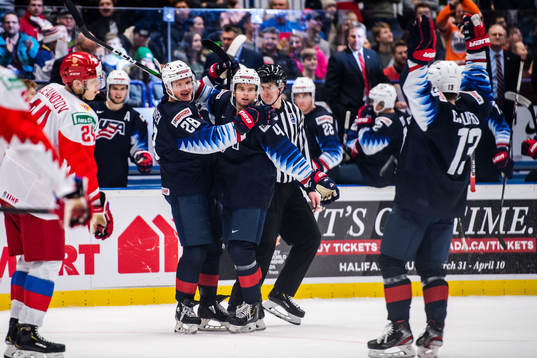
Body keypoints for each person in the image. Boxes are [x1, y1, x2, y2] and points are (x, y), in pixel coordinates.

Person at [366, 15, 507, 358]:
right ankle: (434, 333)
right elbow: (482, 80)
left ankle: (399, 329)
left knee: (391, 261)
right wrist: (476, 44)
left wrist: (422, 53)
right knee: (432, 268)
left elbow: (414, 85)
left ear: (434, 86)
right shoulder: (475, 106)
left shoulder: (432, 113)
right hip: (449, 204)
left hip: (416, 200)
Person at [198, 67, 339, 332]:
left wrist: (309, 185)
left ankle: (281, 293)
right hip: (266, 188)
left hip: (290, 188)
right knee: (261, 249)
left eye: (271, 85)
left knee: (310, 238)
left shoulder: (295, 112)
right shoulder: (256, 112)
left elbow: (298, 149)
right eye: (261, 86)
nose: (265, 90)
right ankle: (240, 304)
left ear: (282, 87)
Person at [152, 59, 278, 334]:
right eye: (178, 84)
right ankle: (184, 305)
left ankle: (208, 303)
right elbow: (211, 139)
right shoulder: (176, 114)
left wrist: (210, 76)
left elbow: (203, 92)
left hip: (204, 184)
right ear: (167, 87)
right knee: (196, 248)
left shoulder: (182, 101)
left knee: (211, 248)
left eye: (188, 82)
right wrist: (244, 122)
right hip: (185, 188)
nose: (186, 88)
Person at [2, 51, 114, 358]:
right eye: (94, 79)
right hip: (37, 193)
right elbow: (82, 167)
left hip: (10, 184)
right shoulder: (80, 113)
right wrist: (97, 207)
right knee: (47, 264)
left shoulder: (50, 91)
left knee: (26, 261)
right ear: (77, 82)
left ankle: (16, 331)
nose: (99, 86)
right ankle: (27, 333)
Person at [324, 22, 389, 142]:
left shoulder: (372, 55)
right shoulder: (338, 58)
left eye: (359, 36)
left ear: (365, 38)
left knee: (369, 141)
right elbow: (330, 88)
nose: (356, 40)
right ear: (347, 37)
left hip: (372, 107)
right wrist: (339, 109)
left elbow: (380, 79)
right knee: (349, 142)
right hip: (348, 110)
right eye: (353, 36)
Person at [89, 70, 152, 188]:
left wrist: (142, 158)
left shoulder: (135, 118)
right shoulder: (91, 109)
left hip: (117, 178)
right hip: (88, 176)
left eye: (123, 89)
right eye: (115, 88)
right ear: (108, 89)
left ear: (127, 90)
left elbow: (138, 148)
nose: (119, 93)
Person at [344, 83, 410, 187]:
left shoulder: (387, 121)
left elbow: (366, 146)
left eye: (372, 101)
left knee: (334, 174)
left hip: (379, 174)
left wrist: (363, 122)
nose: (369, 104)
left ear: (383, 103)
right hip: (376, 169)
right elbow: (350, 142)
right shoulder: (392, 116)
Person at [291, 76, 342, 174]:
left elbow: (334, 152)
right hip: (300, 171)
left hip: (322, 174)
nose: (301, 100)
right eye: (298, 96)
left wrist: (312, 169)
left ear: (312, 96)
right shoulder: (293, 116)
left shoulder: (322, 119)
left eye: (305, 95)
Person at [0, 12, 39, 79]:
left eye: (14, 22)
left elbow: (37, 63)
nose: (10, 25)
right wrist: (7, 54)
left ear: (19, 25)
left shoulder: (30, 40)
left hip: (27, 79)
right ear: (3, 25)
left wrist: (30, 51)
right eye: (7, 22)